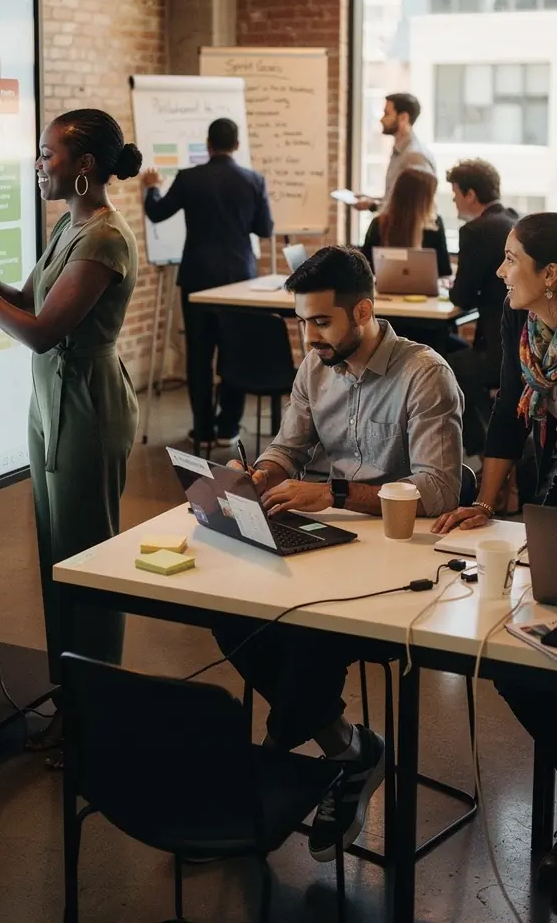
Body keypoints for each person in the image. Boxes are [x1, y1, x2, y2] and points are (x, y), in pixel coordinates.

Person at [215, 246, 463, 862]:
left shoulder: (424, 373)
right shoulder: (314, 367)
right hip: (328, 542)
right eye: (301, 321)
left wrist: (331, 493)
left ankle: (271, 768)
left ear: (363, 311)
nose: (309, 336)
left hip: (401, 560)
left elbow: (437, 490)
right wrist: (258, 473)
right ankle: (350, 748)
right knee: (227, 609)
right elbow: (288, 449)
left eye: (321, 322)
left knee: (311, 635)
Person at [0, 109, 142, 766]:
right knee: (58, 562)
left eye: (47, 155)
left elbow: (43, 330)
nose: (39, 165)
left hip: (88, 410)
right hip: (51, 407)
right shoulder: (68, 227)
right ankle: (69, 702)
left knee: (88, 566)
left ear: (83, 168)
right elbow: (27, 299)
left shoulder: (105, 239)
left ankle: (98, 713)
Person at [432, 213, 557, 900]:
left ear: (551, 274)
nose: (498, 269)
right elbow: (507, 416)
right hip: (556, 502)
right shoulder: (527, 319)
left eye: (511, 258)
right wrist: (487, 501)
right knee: (515, 658)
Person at [142, 118, 273, 448]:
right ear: (237, 145)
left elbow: (157, 213)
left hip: (197, 279)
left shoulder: (189, 178)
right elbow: (265, 229)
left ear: (208, 145)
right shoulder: (253, 180)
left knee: (199, 357)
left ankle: (202, 430)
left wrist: (152, 187)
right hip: (239, 281)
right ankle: (228, 428)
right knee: (235, 353)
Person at [445, 159, 518, 457]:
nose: (454, 201)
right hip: (519, 345)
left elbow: (461, 297)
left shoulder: (475, 231)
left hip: (499, 352)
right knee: (452, 347)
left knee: (441, 364)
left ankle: (480, 444)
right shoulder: (515, 220)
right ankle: (487, 439)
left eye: (455, 194)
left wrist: (450, 286)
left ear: (470, 195)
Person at [360, 165, 451, 277]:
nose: (434, 201)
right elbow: (364, 268)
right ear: (421, 201)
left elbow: (444, 271)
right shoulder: (380, 224)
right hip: (383, 291)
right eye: (431, 196)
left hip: (424, 293)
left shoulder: (435, 224)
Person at [353, 92, 436, 213]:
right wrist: (372, 201)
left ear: (403, 118)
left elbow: (414, 206)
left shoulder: (415, 156)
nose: (382, 119)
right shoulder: (400, 152)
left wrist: (373, 205)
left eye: (387, 114)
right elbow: (397, 198)